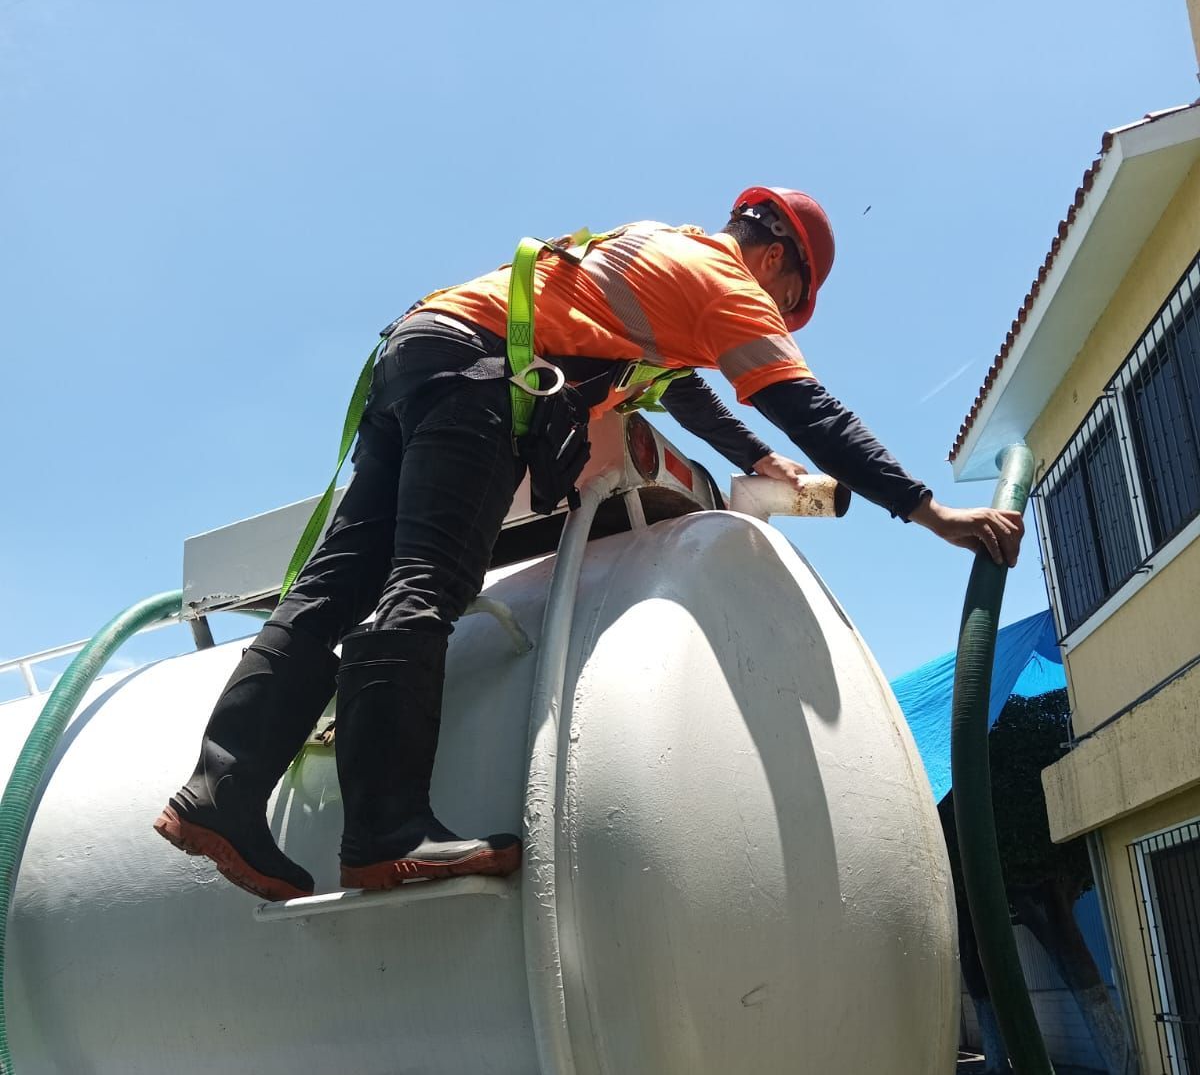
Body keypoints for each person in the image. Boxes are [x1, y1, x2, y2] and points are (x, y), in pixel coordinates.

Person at [154, 186, 1024, 903]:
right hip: (480, 375)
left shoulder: (658, 252)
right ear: (775, 262)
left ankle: (219, 793)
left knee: (333, 588)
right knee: (430, 580)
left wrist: (759, 463)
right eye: (788, 302)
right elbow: (808, 405)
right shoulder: (728, 282)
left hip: (417, 351)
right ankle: (385, 834)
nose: (776, 318)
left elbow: (685, 394)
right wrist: (925, 511)